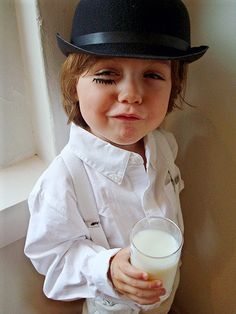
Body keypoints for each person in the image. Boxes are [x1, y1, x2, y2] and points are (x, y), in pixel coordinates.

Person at [24, 0, 208, 313]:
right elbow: (51, 261)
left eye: (153, 75)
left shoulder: (165, 146)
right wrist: (105, 268)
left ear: (173, 90)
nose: (132, 94)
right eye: (107, 75)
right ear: (73, 88)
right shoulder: (63, 180)